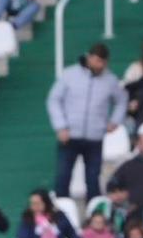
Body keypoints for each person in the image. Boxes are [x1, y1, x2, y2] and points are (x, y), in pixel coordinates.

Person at [46, 43, 125, 202]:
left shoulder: (110, 80)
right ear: (89, 58)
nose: (99, 65)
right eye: (97, 61)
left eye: (103, 62)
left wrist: (114, 121)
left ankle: (94, 216)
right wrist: (61, 126)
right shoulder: (70, 75)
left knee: (92, 178)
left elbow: (121, 101)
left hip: (95, 136)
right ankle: (62, 211)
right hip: (70, 134)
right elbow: (53, 99)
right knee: (63, 175)